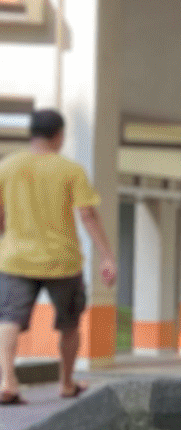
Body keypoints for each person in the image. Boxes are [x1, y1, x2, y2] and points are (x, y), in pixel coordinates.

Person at [0, 109, 117, 402]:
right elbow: (87, 214)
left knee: (9, 319)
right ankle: (66, 383)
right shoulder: (70, 170)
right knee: (69, 324)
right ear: (59, 136)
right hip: (62, 261)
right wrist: (106, 256)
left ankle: (7, 381)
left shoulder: (7, 167)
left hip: (16, 259)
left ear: (31, 133)